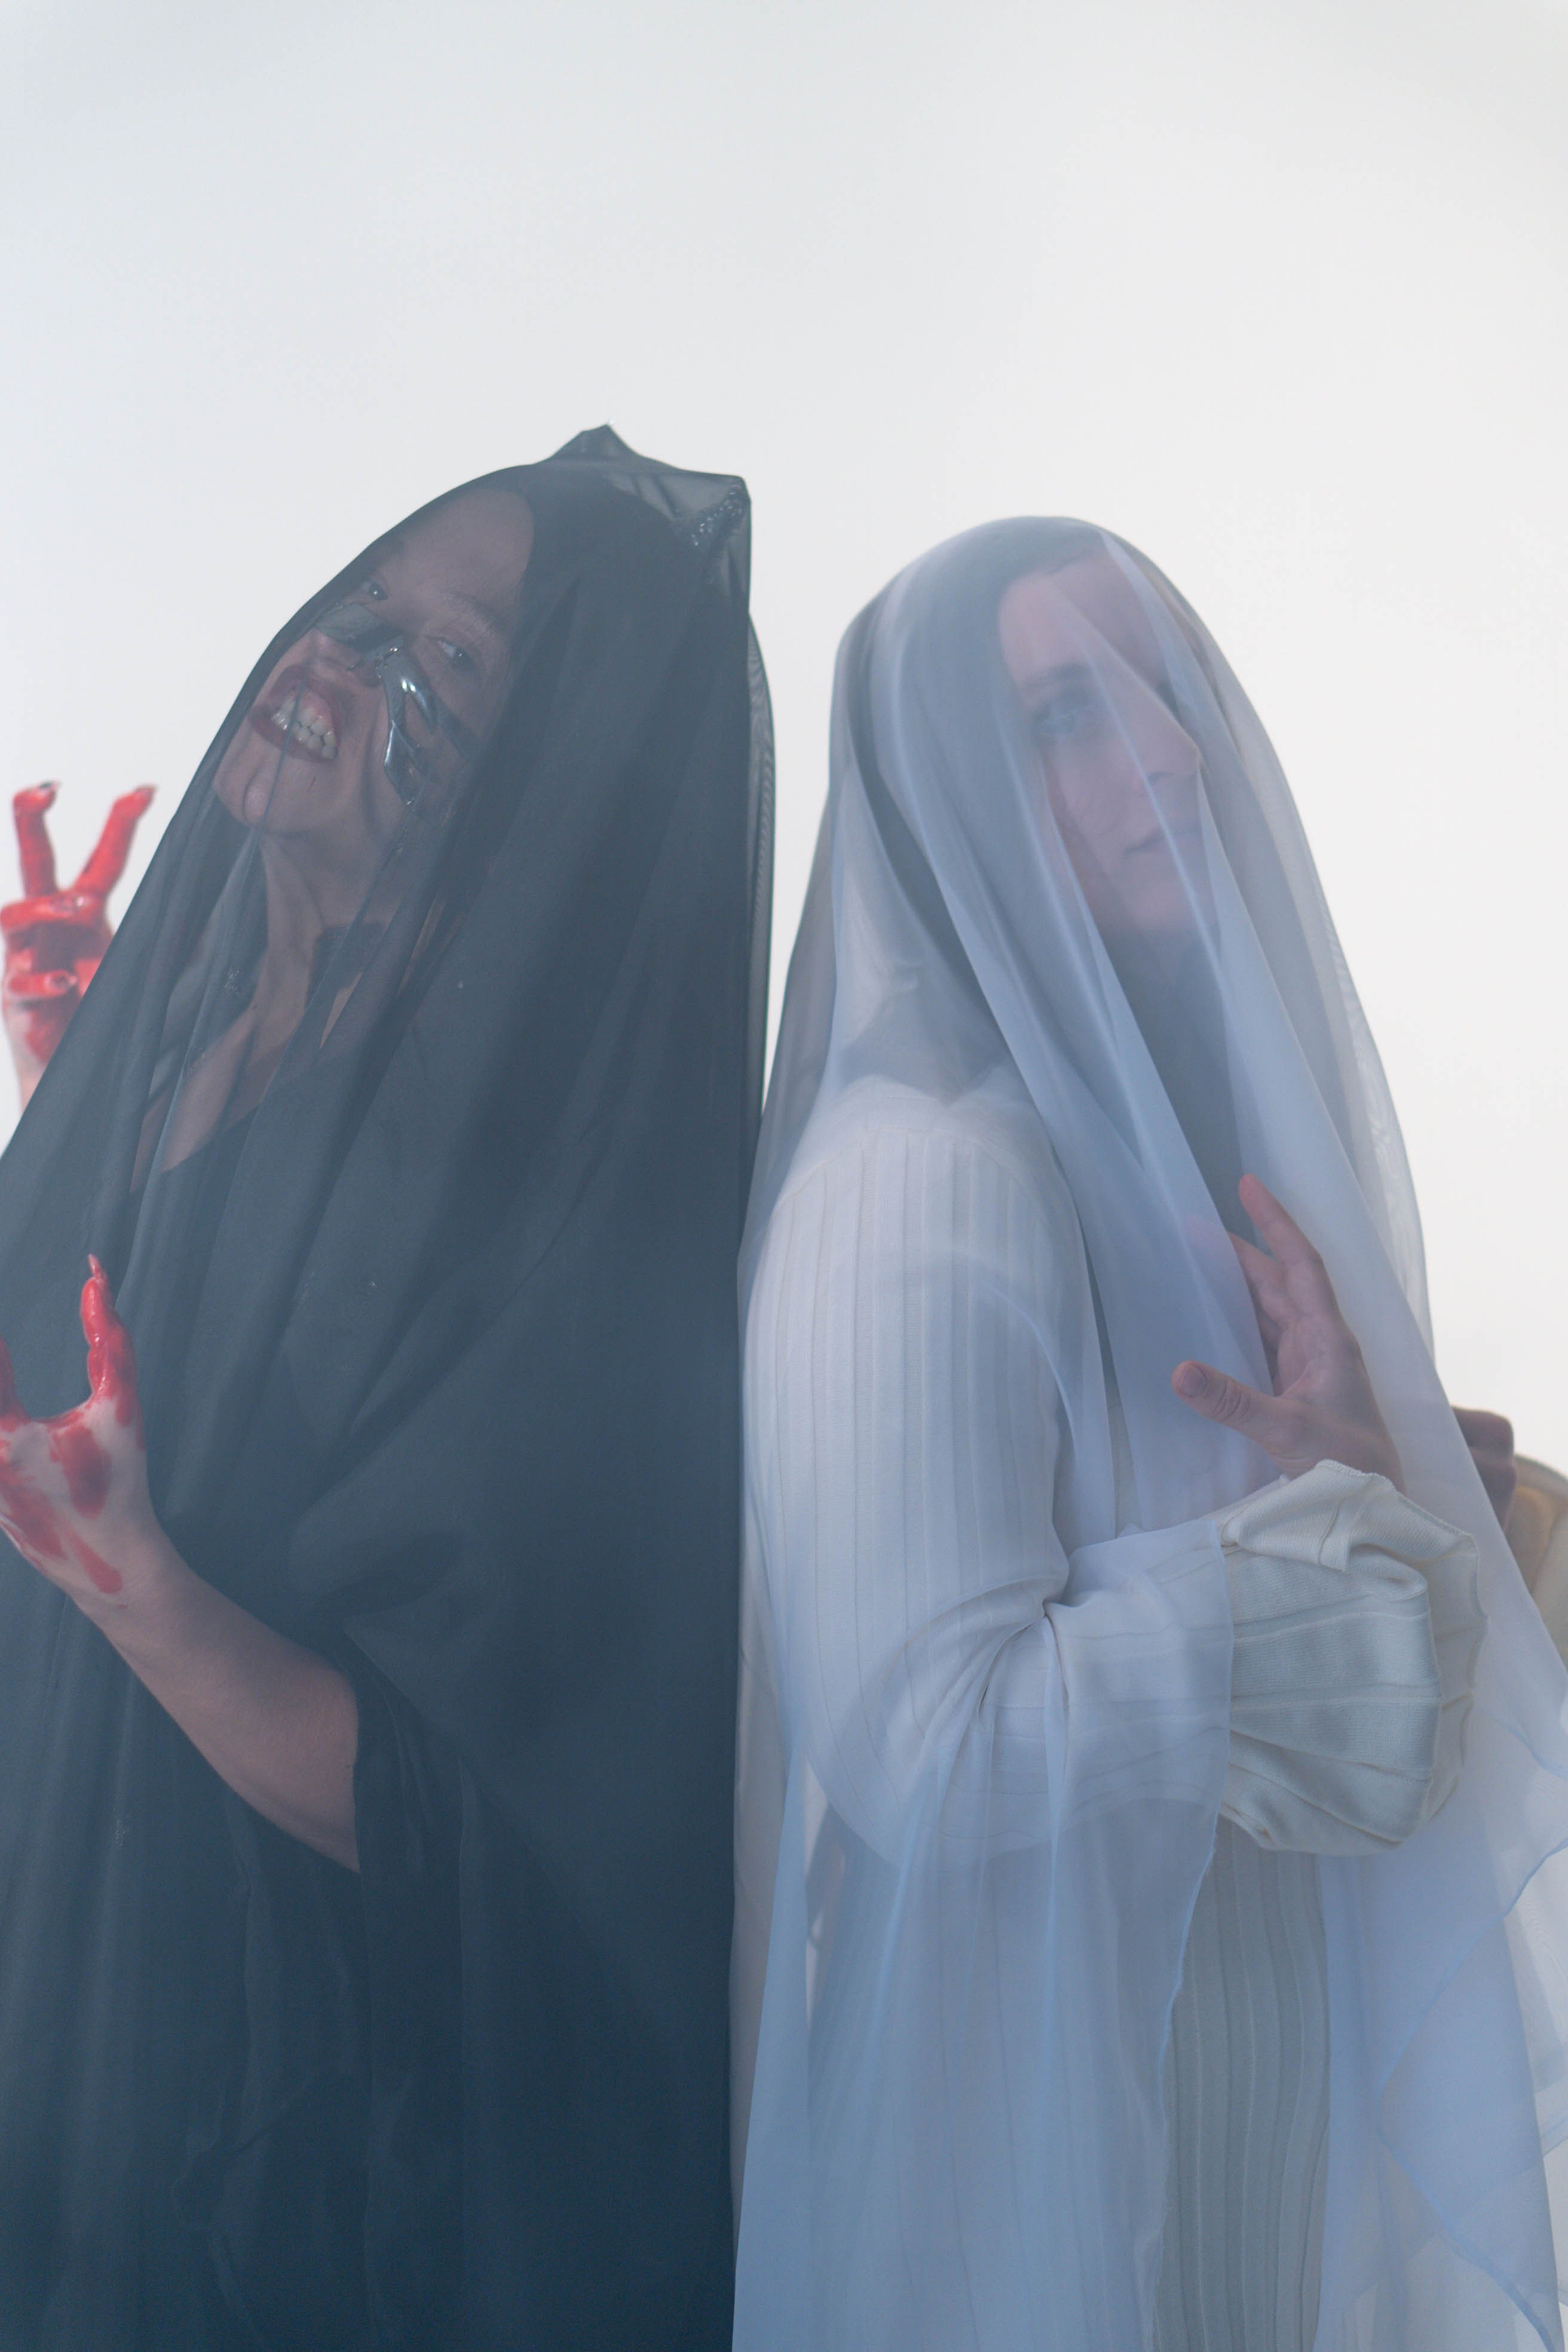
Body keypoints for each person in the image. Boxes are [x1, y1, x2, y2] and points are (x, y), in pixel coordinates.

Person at [733, 519, 1568, 2351]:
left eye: (1170, 691)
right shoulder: (921, 1181)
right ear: (955, 796)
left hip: (1234, 2139)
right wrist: (1348, 1570)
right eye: (1065, 715)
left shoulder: (1172, 1180)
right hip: (1034, 2192)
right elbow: (923, 1744)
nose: (1173, 753)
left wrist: (1383, 1496)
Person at [0, 428, 772, 2350]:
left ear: (544, 796)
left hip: (263, 2162)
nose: (333, 664)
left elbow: (496, 1831)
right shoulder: (166, 1054)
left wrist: (139, 1586)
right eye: (362, 606)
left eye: (446, 660)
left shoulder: (529, 1221)